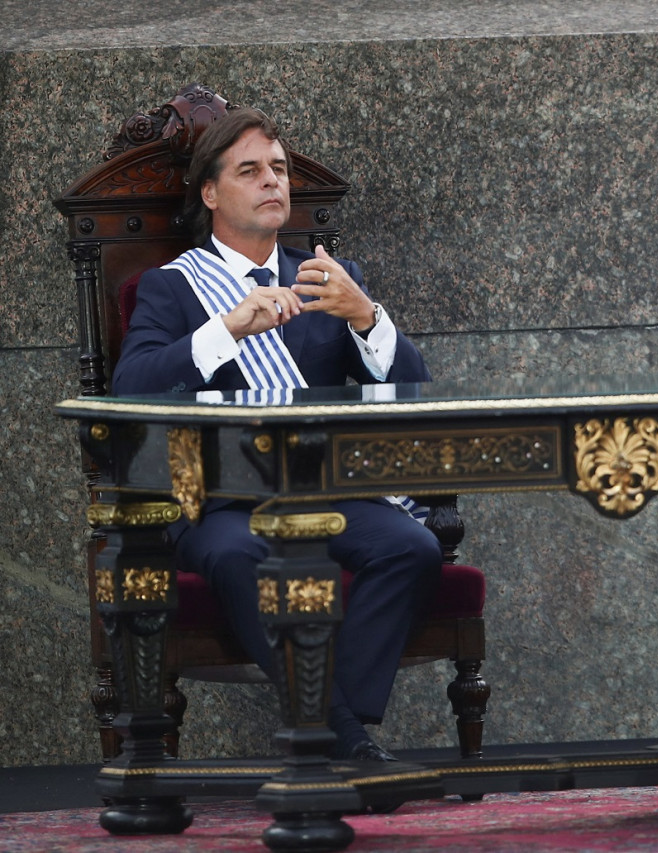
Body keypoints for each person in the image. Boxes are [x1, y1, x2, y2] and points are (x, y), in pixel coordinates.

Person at [112, 106, 439, 761]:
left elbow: (410, 389)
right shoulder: (172, 289)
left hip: (320, 490)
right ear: (210, 193)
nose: (273, 182)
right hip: (222, 496)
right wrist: (226, 327)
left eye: (281, 169)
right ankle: (348, 739)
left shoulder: (326, 277)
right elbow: (132, 388)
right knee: (239, 557)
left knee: (412, 545)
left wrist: (367, 317)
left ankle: (328, 721)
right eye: (251, 170)